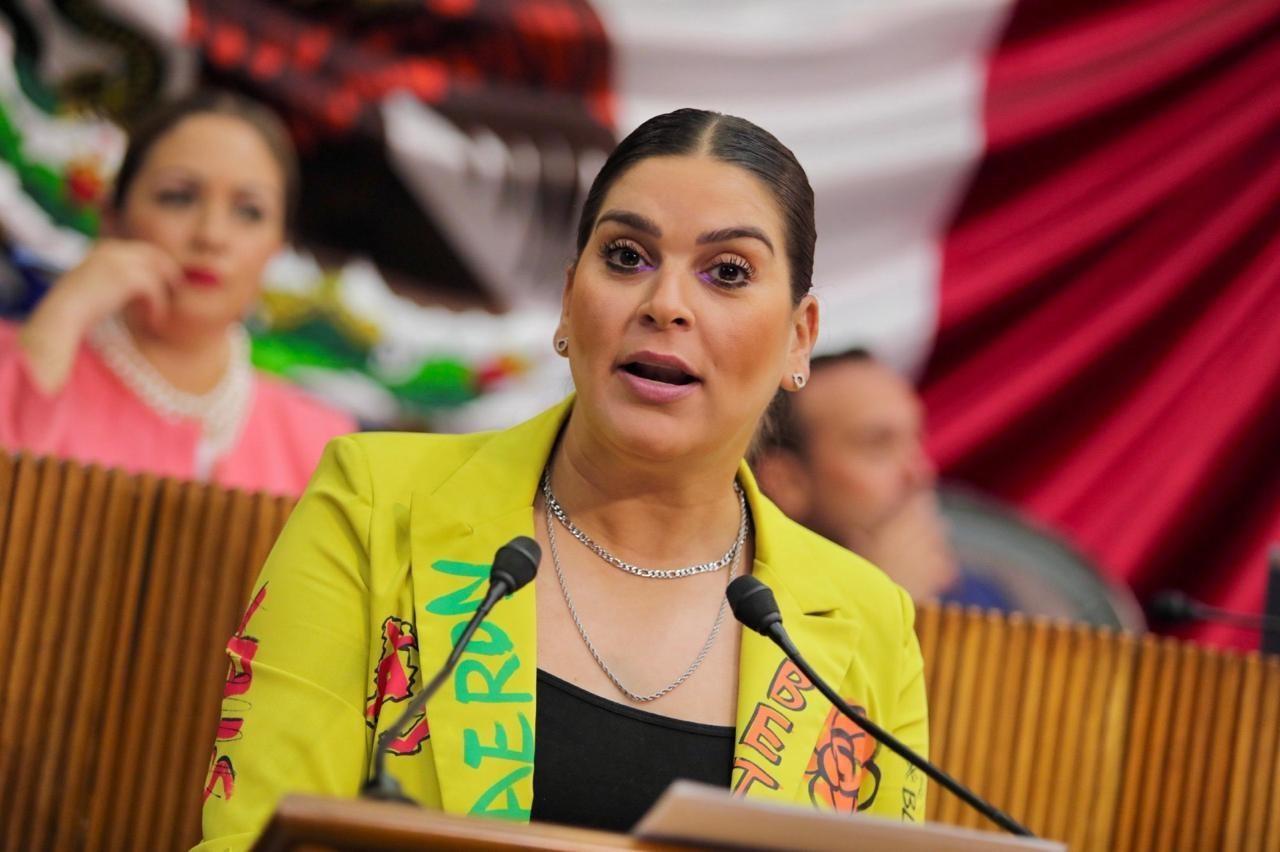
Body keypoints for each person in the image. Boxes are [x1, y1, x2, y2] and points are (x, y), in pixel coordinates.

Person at [196, 108, 928, 849]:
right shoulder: (376, 502)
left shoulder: (867, 627)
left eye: (728, 272)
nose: (666, 304)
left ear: (798, 338)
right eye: (626, 257)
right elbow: (256, 834)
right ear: (568, 299)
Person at [0, 90, 355, 496]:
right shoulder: (20, 359)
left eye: (249, 211)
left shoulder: (319, 443)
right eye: (178, 197)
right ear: (113, 218)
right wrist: (65, 310)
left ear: (277, 246)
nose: (211, 236)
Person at [753, 349, 1010, 608]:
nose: (919, 472)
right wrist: (883, 604)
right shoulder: (742, 607)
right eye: (878, 446)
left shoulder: (981, 602)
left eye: (916, 438)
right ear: (784, 482)